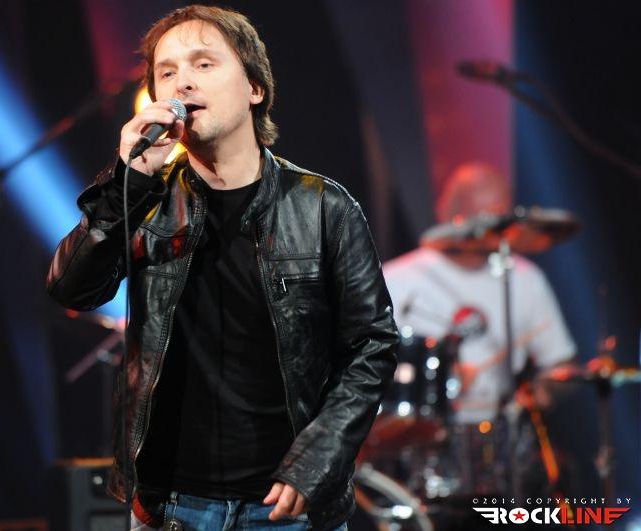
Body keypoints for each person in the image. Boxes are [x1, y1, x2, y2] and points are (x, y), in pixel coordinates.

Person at [46, 6, 398, 530]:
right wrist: (126, 182)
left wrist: (319, 461)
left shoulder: (324, 207)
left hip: (287, 509)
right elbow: (72, 289)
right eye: (167, 72)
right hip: (170, 506)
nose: (182, 82)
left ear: (255, 87)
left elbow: (372, 345)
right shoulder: (144, 201)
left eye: (204, 64)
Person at [383, 162, 576, 425]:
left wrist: (542, 391)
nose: (492, 230)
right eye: (484, 218)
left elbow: (560, 362)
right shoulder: (393, 280)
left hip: (501, 434)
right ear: (451, 214)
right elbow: (357, 368)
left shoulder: (524, 278)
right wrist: (442, 379)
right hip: (415, 434)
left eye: (500, 217)